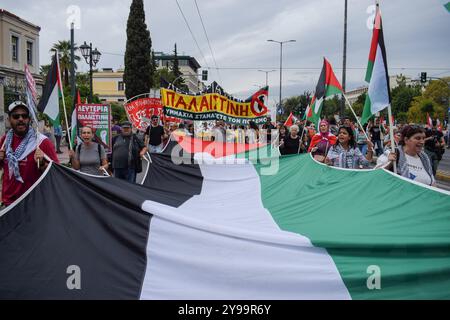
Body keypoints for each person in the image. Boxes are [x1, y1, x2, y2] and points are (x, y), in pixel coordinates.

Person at [0, 101, 59, 207]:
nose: (21, 119)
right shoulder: (4, 141)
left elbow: (57, 174)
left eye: (24, 116)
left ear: (29, 119)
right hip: (9, 203)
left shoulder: (41, 142)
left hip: (34, 204)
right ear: (9, 119)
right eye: (16, 116)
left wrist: (42, 164)